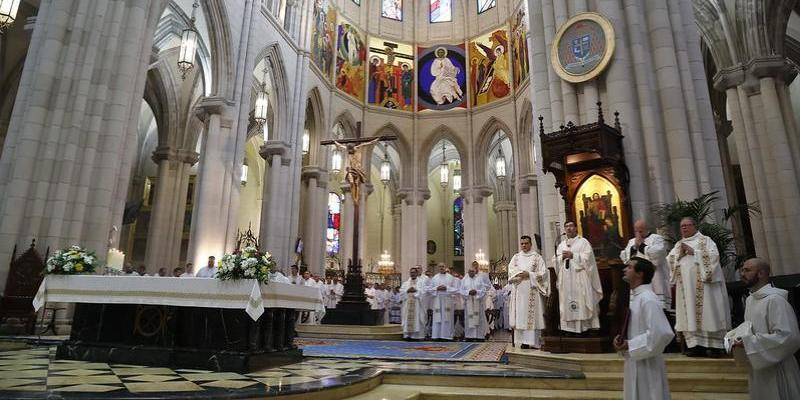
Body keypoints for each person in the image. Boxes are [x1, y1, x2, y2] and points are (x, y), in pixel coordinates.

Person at [733, 258, 800, 399]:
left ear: (761, 273)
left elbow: (788, 337)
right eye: (742, 270)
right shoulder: (751, 299)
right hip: (758, 366)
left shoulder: (775, 300)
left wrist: (749, 343)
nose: (742, 273)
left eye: (747, 270)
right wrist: (740, 339)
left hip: (778, 368)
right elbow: (749, 330)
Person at [668, 217, 730, 356]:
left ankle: (715, 346)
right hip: (687, 289)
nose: (684, 228)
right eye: (681, 226)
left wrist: (694, 252)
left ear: (694, 226)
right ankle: (696, 345)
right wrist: (679, 256)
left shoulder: (705, 241)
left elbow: (714, 257)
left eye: (686, 225)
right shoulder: (678, 245)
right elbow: (670, 260)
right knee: (689, 313)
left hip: (705, 288)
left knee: (709, 312)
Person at [614, 257, 673, 400]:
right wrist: (622, 340)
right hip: (635, 362)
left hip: (648, 366)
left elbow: (661, 333)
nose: (624, 269)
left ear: (640, 273)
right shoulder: (637, 298)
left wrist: (630, 344)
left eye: (629, 267)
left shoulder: (648, 299)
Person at [554, 221, 603, 333]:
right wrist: (561, 258)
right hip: (566, 278)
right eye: (566, 226)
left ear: (576, 228)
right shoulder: (561, 245)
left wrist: (573, 256)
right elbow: (555, 260)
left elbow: (588, 259)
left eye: (571, 226)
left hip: (579, 276)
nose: (568, 229)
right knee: (566, 302)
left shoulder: (583, 242)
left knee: (582, 300)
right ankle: (570, 329)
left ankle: (584, 328)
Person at [508, 235, 550, 348]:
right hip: (519, 292)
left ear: (531, 244)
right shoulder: (516, 257)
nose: (524, 245)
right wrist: (519, 275)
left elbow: (543, 274)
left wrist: (529, 275)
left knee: (532, 316)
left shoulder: (537, 258)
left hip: (532, 291)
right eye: (522, 244)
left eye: (526, 243)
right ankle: (522, 341)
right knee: (521, 316)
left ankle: (533, 342)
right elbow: (511, 272)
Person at [620, 220, 671, 309]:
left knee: (655, 306)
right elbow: (624, 256)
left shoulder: (656, 238)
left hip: (655, 278)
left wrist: (641, 245)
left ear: (647, 229)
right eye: (636, 231)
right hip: (637, 278)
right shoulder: (632, 241)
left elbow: (658, 254)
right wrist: (634, 247)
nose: (638, 233)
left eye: (640, 231)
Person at [426, 263, 458, 340]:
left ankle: (447, 336)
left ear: (445, 267)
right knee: (437, 318)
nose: (441, 268)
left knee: (447, 318)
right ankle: (436, 335)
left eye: (443, 266)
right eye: (440, 267)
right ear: (438, 268)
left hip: (447, 299)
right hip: (437, 299)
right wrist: (437, 288)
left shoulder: (451, 278)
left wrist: (446, 288)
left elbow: (456, 289)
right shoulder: (435, 278)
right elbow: (429, 289)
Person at [460, 263, 490, 341]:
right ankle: (469, 336)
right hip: (469, 302)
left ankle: (479, 336)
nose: (471, 272)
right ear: (468, 272)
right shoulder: (464, 280)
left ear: (475, 271)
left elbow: (483, 290)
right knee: (469, 318)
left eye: (472, 271)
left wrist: (476, 292)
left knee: (479, 319)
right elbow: (461, 290)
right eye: (469, 271)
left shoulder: (479, 279)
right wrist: (468, 292)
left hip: (477, 302)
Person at [400, 267, 429, 340]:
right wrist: (407, 291)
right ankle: (407, 335)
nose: (412, 274)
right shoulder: (406, 283)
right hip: (407, 303)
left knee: (418, 318)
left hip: (417, 304)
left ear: (417, 273)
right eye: (411, 272)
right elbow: (401, 292)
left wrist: (416, 291)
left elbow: (424, 292)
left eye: (413, 272)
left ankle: (417, 336)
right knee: (407, 318)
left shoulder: (421, 283)